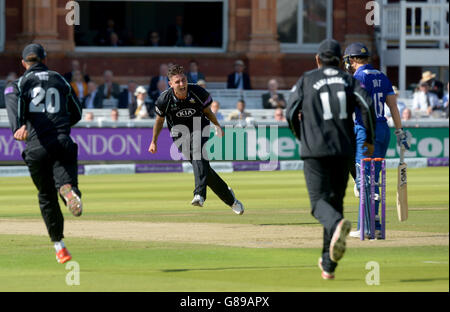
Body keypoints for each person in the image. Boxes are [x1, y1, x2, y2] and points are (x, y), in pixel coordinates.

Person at [286, 39, 376, 280]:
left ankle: (337, 226)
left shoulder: (306, 78)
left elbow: (290, 111)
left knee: (319, 205)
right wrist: (368, 140)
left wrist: (299, 135)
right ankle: (328, 264)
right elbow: (367, 105)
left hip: (314, 150)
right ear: (340, 61)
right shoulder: (349, 80)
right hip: (343, 150)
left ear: (318, 59)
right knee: (334, 204)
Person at [4, 43, 83, 264]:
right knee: (65, 182)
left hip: (37, 147)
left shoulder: (18, 83)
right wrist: (60, 124)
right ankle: (68, 191)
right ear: (44, 59)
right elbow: (77, 112)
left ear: (23, 63)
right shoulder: (61, 79)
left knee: (46, 196)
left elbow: (15, 115)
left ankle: (59, 246)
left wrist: (19, 127)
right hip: (62, 141)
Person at [149, 64, 244, 215]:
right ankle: (231, 199)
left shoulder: (198, 92)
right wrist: (154, 141)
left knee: (198, 153)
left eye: (183, 80)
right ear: (171, 84)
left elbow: (208, 111)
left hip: (200, 127)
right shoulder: (164, 99)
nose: (182, 84)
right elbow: (159, 122)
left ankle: (199, 194)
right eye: (178, 82)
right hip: (179, 134)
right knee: (204, 170)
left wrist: (217, 126)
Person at [343, 42, 411, 239]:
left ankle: (364, 226)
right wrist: (400, 132)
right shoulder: (382, 76)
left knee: (364, 178)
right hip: (383, 130)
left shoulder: (357, 77)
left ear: (353, 60)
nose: (347, 63)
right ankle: (376, 225)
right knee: (375, 179)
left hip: (366, 130)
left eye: (348, 60)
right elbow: (393, 108)